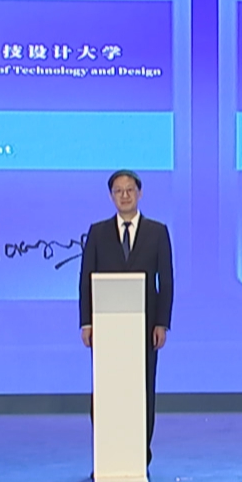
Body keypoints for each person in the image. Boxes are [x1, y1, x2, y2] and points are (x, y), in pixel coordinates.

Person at [78, 170, 174, 463]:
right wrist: (87, 322)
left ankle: (140, 454)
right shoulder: (98, 232)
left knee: (143, 389)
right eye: (118, 191)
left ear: (139, 193)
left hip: (144, 327)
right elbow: (86, 279)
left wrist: (162, 323)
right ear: (111, 196)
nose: (124, 195)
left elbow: (166, 281)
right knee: (106, 392)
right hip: (107, 327)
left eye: (129, 190)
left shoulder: (157, 231)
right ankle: (106, 455)